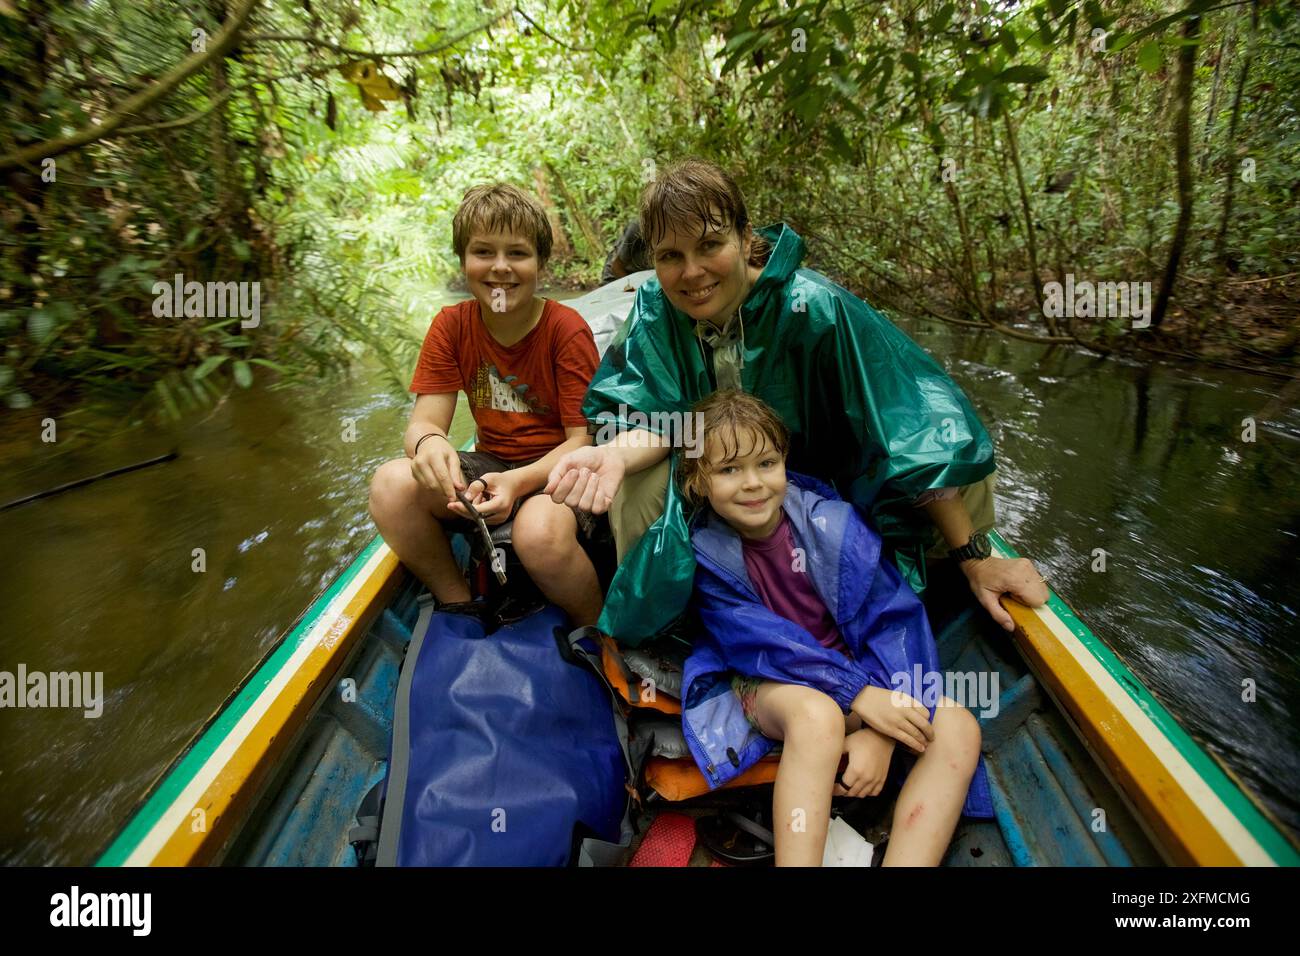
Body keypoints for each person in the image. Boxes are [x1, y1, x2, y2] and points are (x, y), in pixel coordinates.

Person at [545, 158, 1048, 643]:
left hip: (834, 479)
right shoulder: (656, 312)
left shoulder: (814, 308)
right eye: (670, 256)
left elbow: (907, 425)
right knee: (639, 482)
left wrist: (974, 555)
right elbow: (658, 418)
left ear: (745, 239)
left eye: (710, 246)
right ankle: (675, 633)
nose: (691, 273)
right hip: (734, 478)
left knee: (922, 497)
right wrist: (611, 454)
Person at [678, 389, 987, 866]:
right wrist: (859, 697)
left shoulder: (832, 526)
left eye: (765, 463)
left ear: (785, 462)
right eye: (728, 470)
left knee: (959, 729)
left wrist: (885, 732)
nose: (753, 484)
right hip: (769, 684)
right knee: (818, 716)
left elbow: (893, 621)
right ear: (698, 482)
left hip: (855, 677)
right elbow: (760, 644)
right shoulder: (704, 553)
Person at [369, 183, 603, 627]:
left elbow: (583, 440)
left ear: (540, 263)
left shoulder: (565, 330)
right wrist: (429, 446)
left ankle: (600, 633)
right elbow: (423, 423)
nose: (500, 268)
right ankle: (461, 606)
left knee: (538, 533)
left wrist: (517, 483)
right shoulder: (451, 326)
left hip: (558, 470)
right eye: (483, 252)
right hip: (489, 463)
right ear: (463, 261)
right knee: (390, 485)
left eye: (517, 253)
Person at [600, 219, 652, 284]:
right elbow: (616, 267)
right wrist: (634, 288)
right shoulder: (637, 229)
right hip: (614, 279)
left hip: (640, 278)